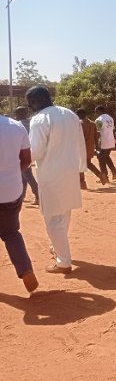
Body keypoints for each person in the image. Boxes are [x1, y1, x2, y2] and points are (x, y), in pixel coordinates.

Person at [26, 86, 87, 274]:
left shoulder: (40, 119)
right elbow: (80, 143)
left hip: (51, 174)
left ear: (35, 101)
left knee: (53, 218)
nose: (29, 107)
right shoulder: (70, 114)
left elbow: (35, 151)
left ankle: (63, 261)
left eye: (30, 103)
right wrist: (81, 167)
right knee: (65, 212)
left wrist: (20, 163)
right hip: (70, 171)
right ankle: (59, 248)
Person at [0, 112, 39, 292]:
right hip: (11, 191)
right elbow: (26, 160)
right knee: (11, 233)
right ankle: (25, 270)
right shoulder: (16, 126)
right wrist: (12, 174)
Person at [14, 106, 39, 205]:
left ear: (17, 114)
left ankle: (38, 196)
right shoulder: (31, 123)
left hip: (22, 153)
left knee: (28, 176)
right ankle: (22, 196)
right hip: (31, 151)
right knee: (24, 176)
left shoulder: (18, 125)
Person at [76, 108, 107, 187]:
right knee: (87, 164)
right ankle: (100, 176)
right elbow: (97, 137)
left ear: (79, 115)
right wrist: (97, 148)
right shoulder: (93, 124)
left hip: (81, 148)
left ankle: (83, 182)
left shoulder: (79, 124)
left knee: (80, 165)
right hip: (90, 148)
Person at [94, 105, 116, 181]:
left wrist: (96, 144)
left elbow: (98, 133)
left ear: (99, 111)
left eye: (96, 112)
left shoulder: (99, 120)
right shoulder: (110, 118)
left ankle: (105, 177)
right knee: (106, 157)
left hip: (103, 142)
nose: (95, 113)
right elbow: (113, 130)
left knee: (101, 159)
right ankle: (114, 172)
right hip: (110, 141)